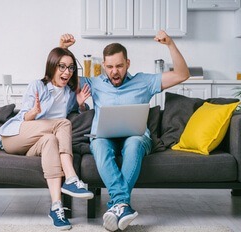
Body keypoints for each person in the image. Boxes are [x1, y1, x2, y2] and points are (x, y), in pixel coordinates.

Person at [60, 31, 190, 231]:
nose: (115, 71)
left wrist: (170, 44)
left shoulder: (144, 81)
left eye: (119, 66)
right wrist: (64, 49)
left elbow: (182, 75)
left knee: (134, 143)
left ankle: (116, 204)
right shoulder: (94, 84)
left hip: (135, 136)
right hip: (104, 137)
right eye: (110, 67)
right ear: (104, 66)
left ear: (127, 63)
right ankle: (122, 206)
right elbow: (61, 77)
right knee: (100, 145)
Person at [0, 47, 94, 230]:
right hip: (16, 136)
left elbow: (74, 112)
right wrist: (34, 112)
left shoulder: (68, 93)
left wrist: (81, 105)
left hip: (36, 144)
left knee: (51, 140)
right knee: (63, 124)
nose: (67, 72)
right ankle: (72, 178)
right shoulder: (38, 85)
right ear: (52, 67)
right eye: (62, 67)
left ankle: (56, 207)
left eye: (71, 68)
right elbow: (24, 117)